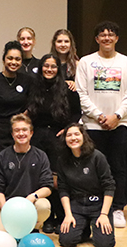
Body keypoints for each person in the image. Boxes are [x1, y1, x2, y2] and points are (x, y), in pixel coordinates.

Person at [74, 21, 127, 228]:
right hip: (93, 125)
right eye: (103, 35)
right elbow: (82, 94)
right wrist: (99, 115)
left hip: (120, 124)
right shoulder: (85, 62)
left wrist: (116, 116)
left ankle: (118, 208)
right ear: (97, 39)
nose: (107, 38)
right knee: (93, 167)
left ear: (117, 38)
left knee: (118, 167)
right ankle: (96, 206)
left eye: (111, 35)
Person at [25, 54, 81, 233]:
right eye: (46, 66)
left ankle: (61, 216)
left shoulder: (67, 88)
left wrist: (67, 129)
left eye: (53, 67)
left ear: (59, 69)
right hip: (38, 138)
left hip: (59, 138)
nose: (49, 70)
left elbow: (77, 113)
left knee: (58, 180)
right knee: (42, 179)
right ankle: (47, 219)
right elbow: (28, 111)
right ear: (41, 67)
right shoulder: (34, 87)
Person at [0, 114, 53, 232]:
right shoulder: (2, 156)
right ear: (12, 134)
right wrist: (6, 210)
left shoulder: (41, 156)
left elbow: (48, 186)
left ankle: (32, 226)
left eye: (24, 130)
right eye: (17, 130)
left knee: (44, 206)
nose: (21, 133)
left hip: (31, 205)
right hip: (8, 205)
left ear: (31, 133)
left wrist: (32, 197)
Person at [58, 124, 116, 247]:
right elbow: (63, 189)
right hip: (77, 205)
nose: (73, 138)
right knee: (66, 241)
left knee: (104, 244)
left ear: (83, 136)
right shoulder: (62, 160)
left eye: (76, 134)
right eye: (69, 135)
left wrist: (104, 214)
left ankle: (93, 225)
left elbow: (109, 186)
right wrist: (68, 215)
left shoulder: (97, 157)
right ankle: (84, 229)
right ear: (65, 139)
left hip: (98, 205)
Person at [0, 41, 32, 184]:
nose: (13, 62)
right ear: (4, 59)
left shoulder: (27, 80)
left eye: (17, 59)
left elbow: (31, 107)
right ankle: (0, 203)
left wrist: (22, 123)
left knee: (19, 169)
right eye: (10, 58)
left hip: (19, 131)